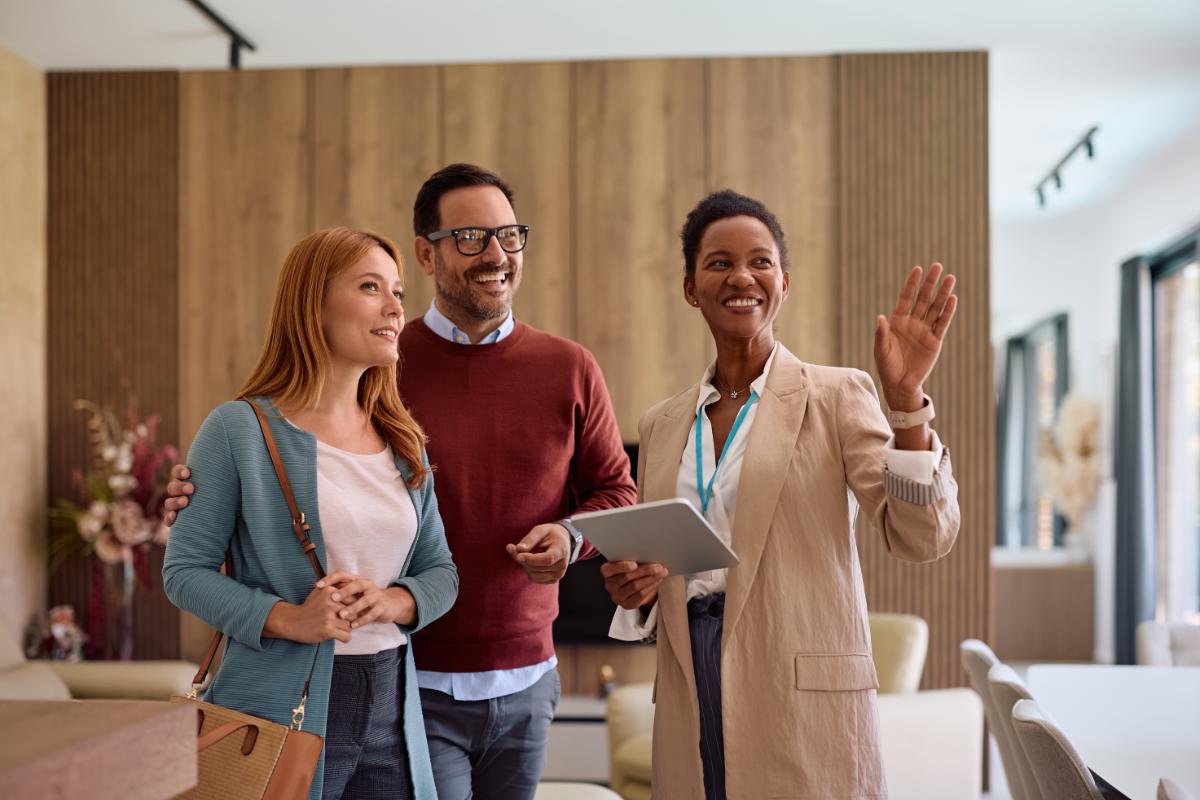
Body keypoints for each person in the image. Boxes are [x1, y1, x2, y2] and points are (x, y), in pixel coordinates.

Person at [164, 164, 638, 800]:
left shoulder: (407, 423)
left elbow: (609, 494)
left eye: (510, 235)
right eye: (471, 236)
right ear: (429, 252)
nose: (496, 254)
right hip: (395, 684)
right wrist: (272, 598)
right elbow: (195, 560)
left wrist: (568, 537)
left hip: (490, 679)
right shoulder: (368, 372)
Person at [603, 190, 961, 798]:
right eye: (719, 262)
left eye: (760, 261)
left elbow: (920, 536)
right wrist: (634, 591)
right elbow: (660, 563)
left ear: (784, 283)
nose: (741, 275)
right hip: (691, 684)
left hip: (801, 698)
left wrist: (906, 409)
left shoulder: (837, 395)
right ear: (691, 288)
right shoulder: (662, 424)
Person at [162, 227, 459, 800]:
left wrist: (392, 600)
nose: (396, 306)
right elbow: (184, 573)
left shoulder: (404, 442)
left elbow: (441, 572)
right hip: (273, 711)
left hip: (393, 708)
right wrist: (288, 618)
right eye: (371, 287)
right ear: (313, 305)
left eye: (398, 290)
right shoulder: (238, 430)